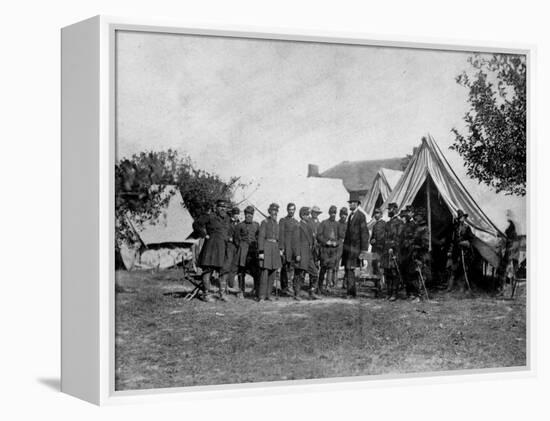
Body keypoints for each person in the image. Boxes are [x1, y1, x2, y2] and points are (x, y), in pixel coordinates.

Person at [196, 199, 231, 302]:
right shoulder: (210, 216)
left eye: (224, 207)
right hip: (211, 248)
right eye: (220, 207)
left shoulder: (227, 219)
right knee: (208, 271)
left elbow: (229, 231)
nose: (223, 209)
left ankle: (222, 294)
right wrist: (204, 235)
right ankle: (206, 294)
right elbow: (196, 224)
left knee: (224, 271)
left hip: (223, 249)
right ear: (216, 207)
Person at [341, 193, 369, 298]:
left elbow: (364, 234)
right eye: (350, 202)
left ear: (357, 204)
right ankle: (351, 292)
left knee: (350, 269)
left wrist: (363, 251)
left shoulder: (361, 216)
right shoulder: (350, 216)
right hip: (348, 249)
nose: (351, 204)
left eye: (353, 202)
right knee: (348, 270)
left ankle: (351, 293)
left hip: (356, 249)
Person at [257, 203, 283, 301]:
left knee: (273, 273)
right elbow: (261, 237)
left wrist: (280, 250)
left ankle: (268, 294)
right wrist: (261, 252)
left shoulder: (277, 224)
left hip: (275, 248)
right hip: (267, 247)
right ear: (269, 211)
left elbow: (279, 238)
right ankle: (261, 296)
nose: (275, 213)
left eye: (276, 211)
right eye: (273, 211)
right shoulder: (265, 222)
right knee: (265, 272)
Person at [292, 206, 318, 300]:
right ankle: (297, 294)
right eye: (306, 214)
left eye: (308, 214)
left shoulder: (309, 226)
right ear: (302, 215)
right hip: (301, 254)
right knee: (299, 274)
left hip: (309, 254)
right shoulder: (298, 226)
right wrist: (297, 254)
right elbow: (295, 242)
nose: (308, 216)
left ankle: (312, 292)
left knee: (314, 273)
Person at [234, 205, 260, 298]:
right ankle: (241, 290)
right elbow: (236, 239)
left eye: (251, 214)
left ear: (253, 215)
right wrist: (242, 246)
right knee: (242, 271)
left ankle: (256, 289)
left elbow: (258, 237)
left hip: (253, 252)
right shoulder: (240, 225)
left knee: (256, 272)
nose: (249, 216)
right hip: (243, 252)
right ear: (244, 215)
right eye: (247, 214)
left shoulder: (256, 225)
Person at [446, 209, 474, 294]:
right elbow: (451, 240)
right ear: (458, 218)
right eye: (461, 217)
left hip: (465, 252)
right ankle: (450, 287)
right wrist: (450, 250)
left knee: (464, 269)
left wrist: (466, 243)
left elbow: (471, 238)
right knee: (453, 268)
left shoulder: (467, 227)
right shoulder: (454, 228)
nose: (462, 219)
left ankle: (463, 287)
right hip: (456, 251)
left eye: (463, 217)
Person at [382, 202, 403, 301]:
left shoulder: (399, 223)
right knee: (387, 272)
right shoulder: (388, 223)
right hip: (387, 251)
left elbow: (399, 238)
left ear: (395, 210)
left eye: (390, 210)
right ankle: (389, 292)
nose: (388, 211)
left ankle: (394, 293)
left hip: (395, 251)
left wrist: (393, 248)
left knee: (394, 272)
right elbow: (385, 237)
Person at [317, 205, 340, 294]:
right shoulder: (324, 223)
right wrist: (326, 242)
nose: (333, 214)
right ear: (329, 213)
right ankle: (319, 286)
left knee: (331, 268)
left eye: (335, 213)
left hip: (333, 250)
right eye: (332, 213)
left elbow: (340, 238)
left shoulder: (337, 224)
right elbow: (319, 236)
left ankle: (327, 287)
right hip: (325, 249)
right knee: (323, 268)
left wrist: (336, 243)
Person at [278, 203, 299, 296]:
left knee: (291, 268)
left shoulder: (296, 222)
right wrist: (281, 248)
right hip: (286, 247)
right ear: (287, 210)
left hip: (293, 248)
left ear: (295, 210)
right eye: (290, 209)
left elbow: (297, 237)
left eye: (293, 209)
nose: (291, 211)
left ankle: (289, 287)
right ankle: (284, 288)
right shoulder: (283, 220)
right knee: (284, 268)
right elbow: (281, 235)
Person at [411, 207, 431, 300]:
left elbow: (426, 243)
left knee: (422, 274)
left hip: (422, 254)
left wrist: (417, 246)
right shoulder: (417, 227)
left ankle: (421, 294)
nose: (416, 217)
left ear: (421, 217)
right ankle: (418, 294)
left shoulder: (424, 228)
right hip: (416, 253)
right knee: (416, 273)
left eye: (418, 216)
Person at [399, 205, 419, 299]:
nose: (408, 213)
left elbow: (416, 238)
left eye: (410, 212)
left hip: (411, 251)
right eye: (407, 211)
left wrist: (409, 243)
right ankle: (409, 292)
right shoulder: (404, 224)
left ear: (412, 213)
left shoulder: (414, 224)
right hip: (404, 252)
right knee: (405, 273)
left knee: (412, 273)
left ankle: (415, 293)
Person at [221, 206, 240, 292]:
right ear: (232, 214)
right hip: (229, 245)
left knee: (234, 265)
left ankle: (231, 284)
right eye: (235, 214)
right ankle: (223, 285)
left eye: (237, 214)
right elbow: (224, 233)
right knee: (227, 264)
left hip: (236, 246)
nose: (236, 216)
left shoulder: (238, 223)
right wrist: (229, 238)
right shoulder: (228, 222)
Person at [369, 208, 386, 277]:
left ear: (381, 215)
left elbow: (385, 236)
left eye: (377, 213)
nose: (375, 215)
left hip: (380, 248)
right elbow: (372, 237)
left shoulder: (384, 224)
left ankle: (381, 283)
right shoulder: (375, 225)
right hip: (374, 248)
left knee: (379, 265)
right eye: (375, 213)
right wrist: (371, 241)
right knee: (374, 264)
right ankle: (377, 283)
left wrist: (378, 241)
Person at [337, 207, 348, 289]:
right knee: (335, 264)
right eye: (342, 214)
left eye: (345, 214)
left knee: (347, 265)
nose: (344, 216)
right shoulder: (337, 224)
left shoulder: (348, 224)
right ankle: (333, 282)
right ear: (340, 215)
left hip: (346, 246)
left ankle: (345, 283)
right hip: (339, 245)